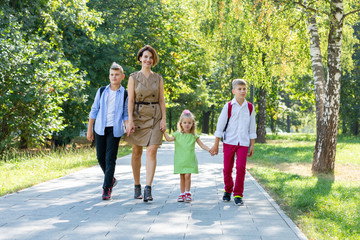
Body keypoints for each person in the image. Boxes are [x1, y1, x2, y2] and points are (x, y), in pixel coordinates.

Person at [125, 45, 166, 202]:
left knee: (152, 150)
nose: (148, 59)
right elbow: (131, 100)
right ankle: (137, 185)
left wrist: (163, 119)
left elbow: (162, 100)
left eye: (151, 57)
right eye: (145, 57)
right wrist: (129, 121)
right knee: (137, 151)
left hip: (155, 115)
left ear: (153, 60)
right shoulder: (133, 78)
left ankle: (148, 188)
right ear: (140, 58)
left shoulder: (158, 78)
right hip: (138, 116)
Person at [210, 79, 256, 206]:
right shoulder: (228, 106)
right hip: (229, 141)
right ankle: (228, 189)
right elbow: (220, 126)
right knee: (227, 169)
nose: (242, 91)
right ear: (233, 91)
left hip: (243, 143)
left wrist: (252, 145)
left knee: (241, 168)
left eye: (244, 89)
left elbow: (252, 128)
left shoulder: (250, 107)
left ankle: (238, 194)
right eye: (239, 89)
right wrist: (216, 143)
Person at [87, 62, 128, 200]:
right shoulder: (102, 91)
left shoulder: (125, 93)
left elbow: (126, 114)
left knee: (110, 159)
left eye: (117, 75)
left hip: (115, 130)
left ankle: (106, 189)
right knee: (100, 157)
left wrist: (128, 125)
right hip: (100, 128)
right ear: (109, 76)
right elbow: (94, 110)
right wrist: (89, 130)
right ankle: (111, 179)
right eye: (111, 75)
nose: (114, 77)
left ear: (122, 76)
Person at [163, 110, 213, 202]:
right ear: (181, 123)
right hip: (180, 160)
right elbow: (168, 139)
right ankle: (182, 194)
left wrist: (210, 150)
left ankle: (188, 192)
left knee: (187, 175)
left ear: (192, 124)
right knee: (182, 176)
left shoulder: (194, 135)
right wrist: (164, 131)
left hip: (190, 160)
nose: (187, 124)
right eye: (185, 122)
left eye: (189, 123)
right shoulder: (177, 135)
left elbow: (202, 145)